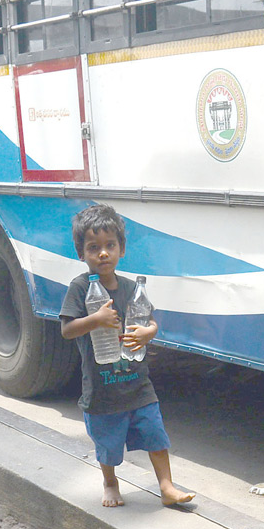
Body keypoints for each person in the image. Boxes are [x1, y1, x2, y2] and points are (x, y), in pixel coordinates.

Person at [59, 204, 195, 509]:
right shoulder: (80, 288)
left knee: (156, 436)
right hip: (102, 388)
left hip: (138, 384)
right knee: (107, 445)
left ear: (122, 249)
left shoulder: (133, 288)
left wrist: (150, 332)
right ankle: (110, 482)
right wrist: (95, 319)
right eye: (94, 248)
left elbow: (150, 321)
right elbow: (67, 330)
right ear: (81, 253)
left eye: (110, 246)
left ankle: (166, 486)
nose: (103, 254)